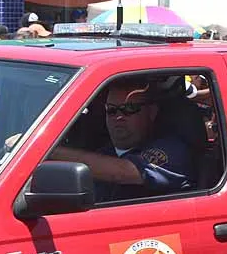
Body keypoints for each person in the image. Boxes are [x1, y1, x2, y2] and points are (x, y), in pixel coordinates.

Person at [48, 78, 194, 202]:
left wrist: (46, 151)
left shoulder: (172, 150)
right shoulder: (101, 154)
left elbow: (123, 171)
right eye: (111, 110)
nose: (118, 117)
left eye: (129, 108)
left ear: (152, 112)